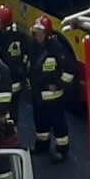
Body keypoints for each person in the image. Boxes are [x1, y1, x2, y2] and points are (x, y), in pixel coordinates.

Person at [28, 15, 75, 162]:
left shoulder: (56, 48)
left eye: (40, 33)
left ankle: (62, 150)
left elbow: (69, 69)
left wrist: (59, 85)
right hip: (38, 94)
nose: (38, 36)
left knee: (58, 123)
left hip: (53, 96)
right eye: (36, 33)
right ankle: (42, 144)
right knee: (40, 121)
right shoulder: (34, 46)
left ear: (47, 33)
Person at [0, 5, 28, 126]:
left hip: (15, 83)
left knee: (12, 113)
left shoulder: (20, 34)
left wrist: (24, 72)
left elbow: (28, 53)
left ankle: (11, 133)